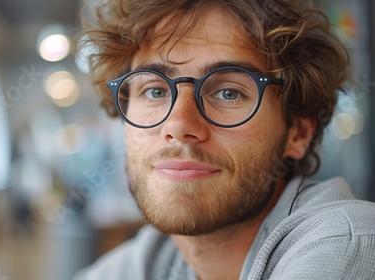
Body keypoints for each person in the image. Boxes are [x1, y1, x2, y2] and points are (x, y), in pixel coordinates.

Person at [74, 0, 375, 279]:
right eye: (155, 91)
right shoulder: (150, 260)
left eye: (228, 93)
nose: (178, 125)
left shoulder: (346, 243)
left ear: (298, 132)